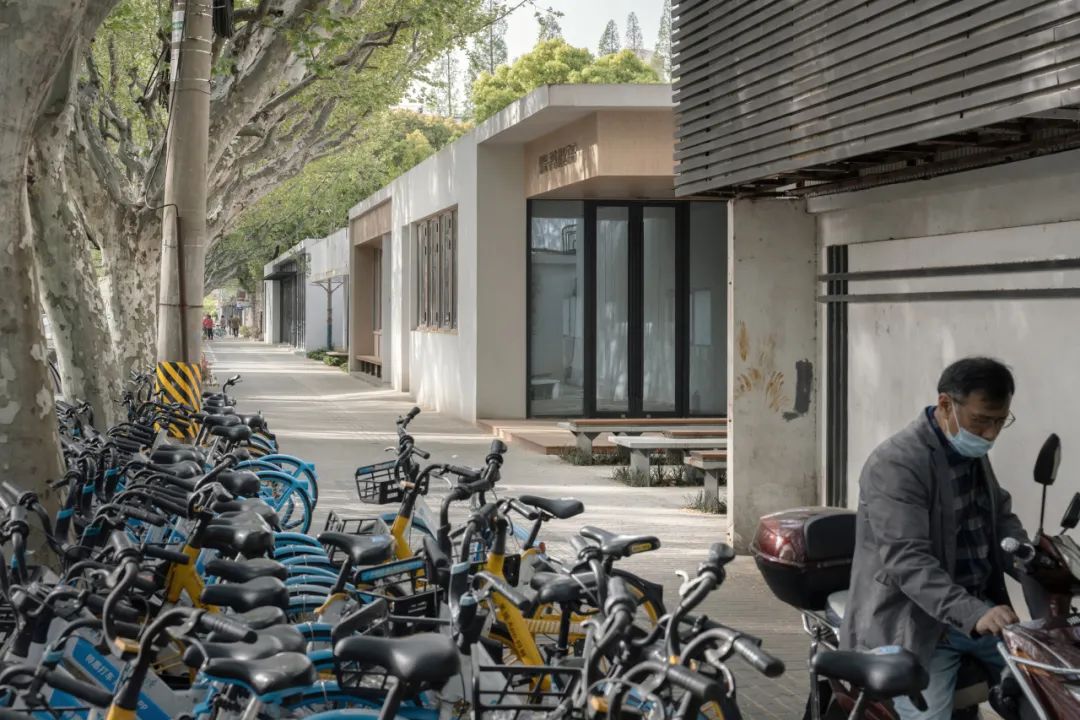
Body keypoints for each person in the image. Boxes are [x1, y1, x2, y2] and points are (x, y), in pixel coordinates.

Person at [840, 357, 1028, 720]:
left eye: (1000, 421)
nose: (991, 434)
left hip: (976, 610)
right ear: (945, 405)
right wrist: (974, 612)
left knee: (1047, 686)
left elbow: (998, 516)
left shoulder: (967, 450)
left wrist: (1030, 556)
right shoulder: (896, 464)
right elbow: (907, 561)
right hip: (917, 624)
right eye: (982, 420)